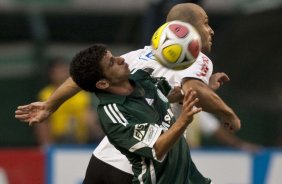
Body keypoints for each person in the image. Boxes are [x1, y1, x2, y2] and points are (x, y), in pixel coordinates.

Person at [15, 3, 240, 183]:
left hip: (103, 159)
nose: (210, 30)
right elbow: (194, 91)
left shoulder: (139, 55)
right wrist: (228, 114)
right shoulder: (196, 58)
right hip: (142, 166)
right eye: (205, 23)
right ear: (185, 30)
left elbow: (82, 76)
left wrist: (50, 105)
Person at [70, 44, 211, 183]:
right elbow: (157, 148)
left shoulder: (141, 77)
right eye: (112, 63)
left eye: (113, 56)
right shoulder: (112, 113)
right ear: (103, 84)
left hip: (185, 175)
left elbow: (169, 94)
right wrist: (183, 121)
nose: (120, 59)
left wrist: (203, 86)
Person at [34, 57, 104, 147]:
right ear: (51, 73)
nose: (61, 72)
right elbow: (42, 123)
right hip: (57, 142)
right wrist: (47, 145)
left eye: (63, 69)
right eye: (58, 70)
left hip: (81, 142)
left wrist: (96, 132)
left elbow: (90, 116)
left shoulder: (81, 93)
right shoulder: (45, 94)